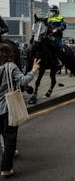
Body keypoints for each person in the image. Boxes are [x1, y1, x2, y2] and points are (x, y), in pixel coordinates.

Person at [0, 44, 40, 178]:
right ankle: (6, 168)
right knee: (10, 136)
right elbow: (23, 81)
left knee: (4, 135)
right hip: (7, 107)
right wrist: (33, 70)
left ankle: (6, 152)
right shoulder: (10, 66)